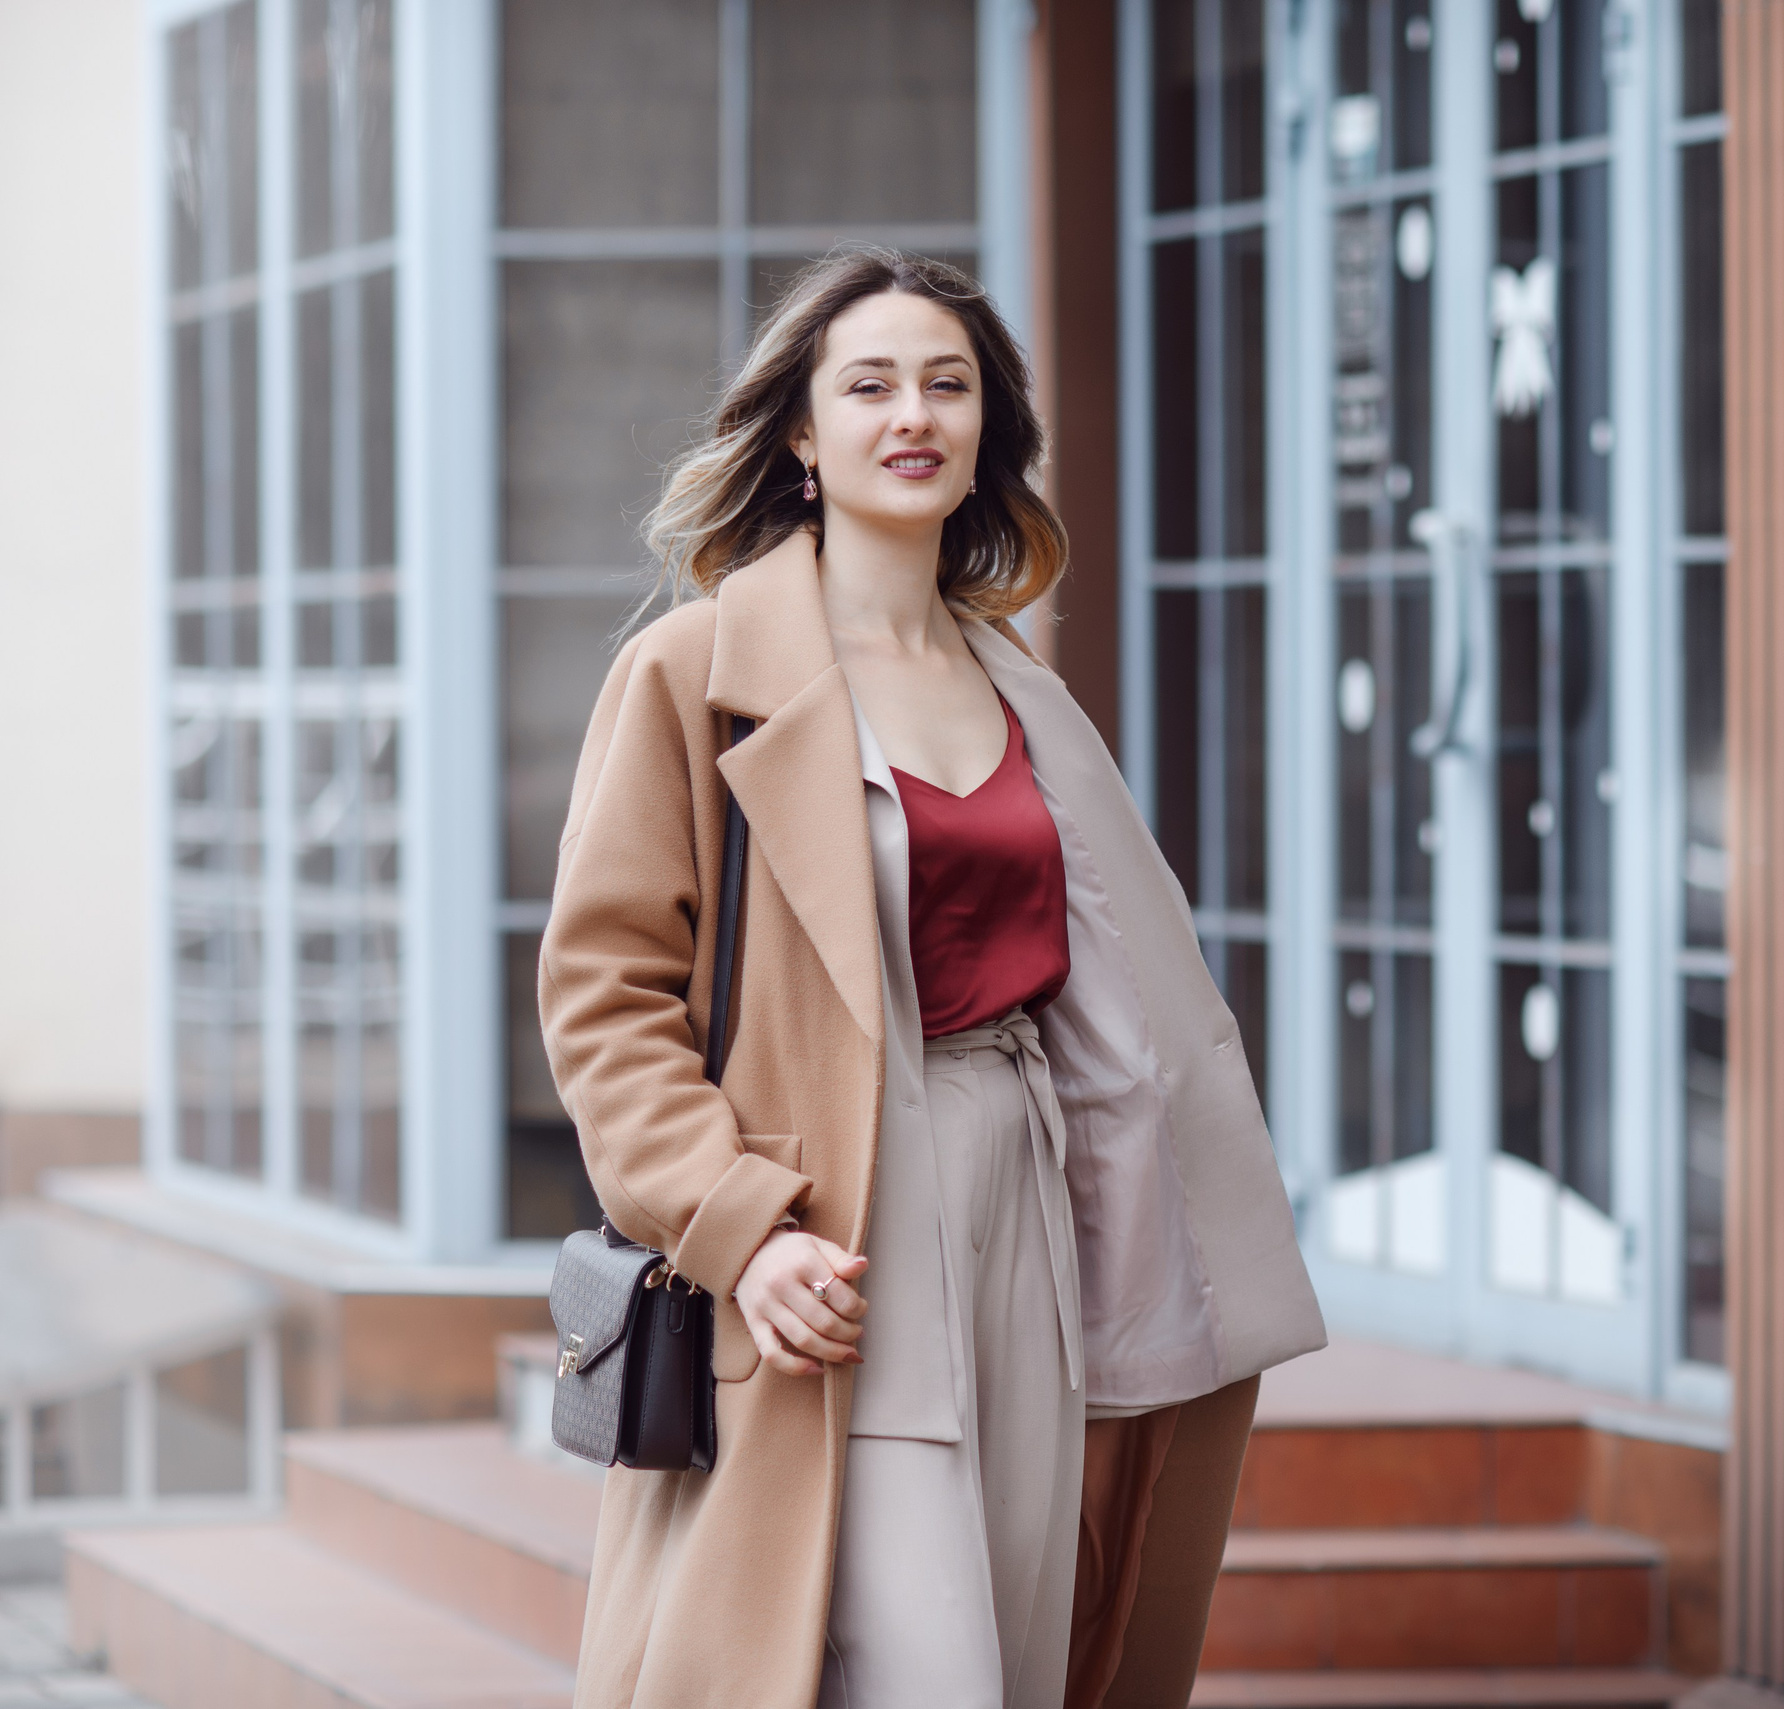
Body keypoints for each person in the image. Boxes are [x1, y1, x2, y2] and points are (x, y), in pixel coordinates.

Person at [540, 248, 1326, 1709]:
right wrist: (740, 1228)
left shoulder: (1021, 684)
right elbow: (605, 999)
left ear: (986, 433)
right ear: (800, 432)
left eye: (949, 383)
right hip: (832, 1229)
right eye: (872, 382)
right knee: (918, 1667)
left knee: (1025, 1651)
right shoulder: (693, 672)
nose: (915, 412)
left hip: (1025, 1201)